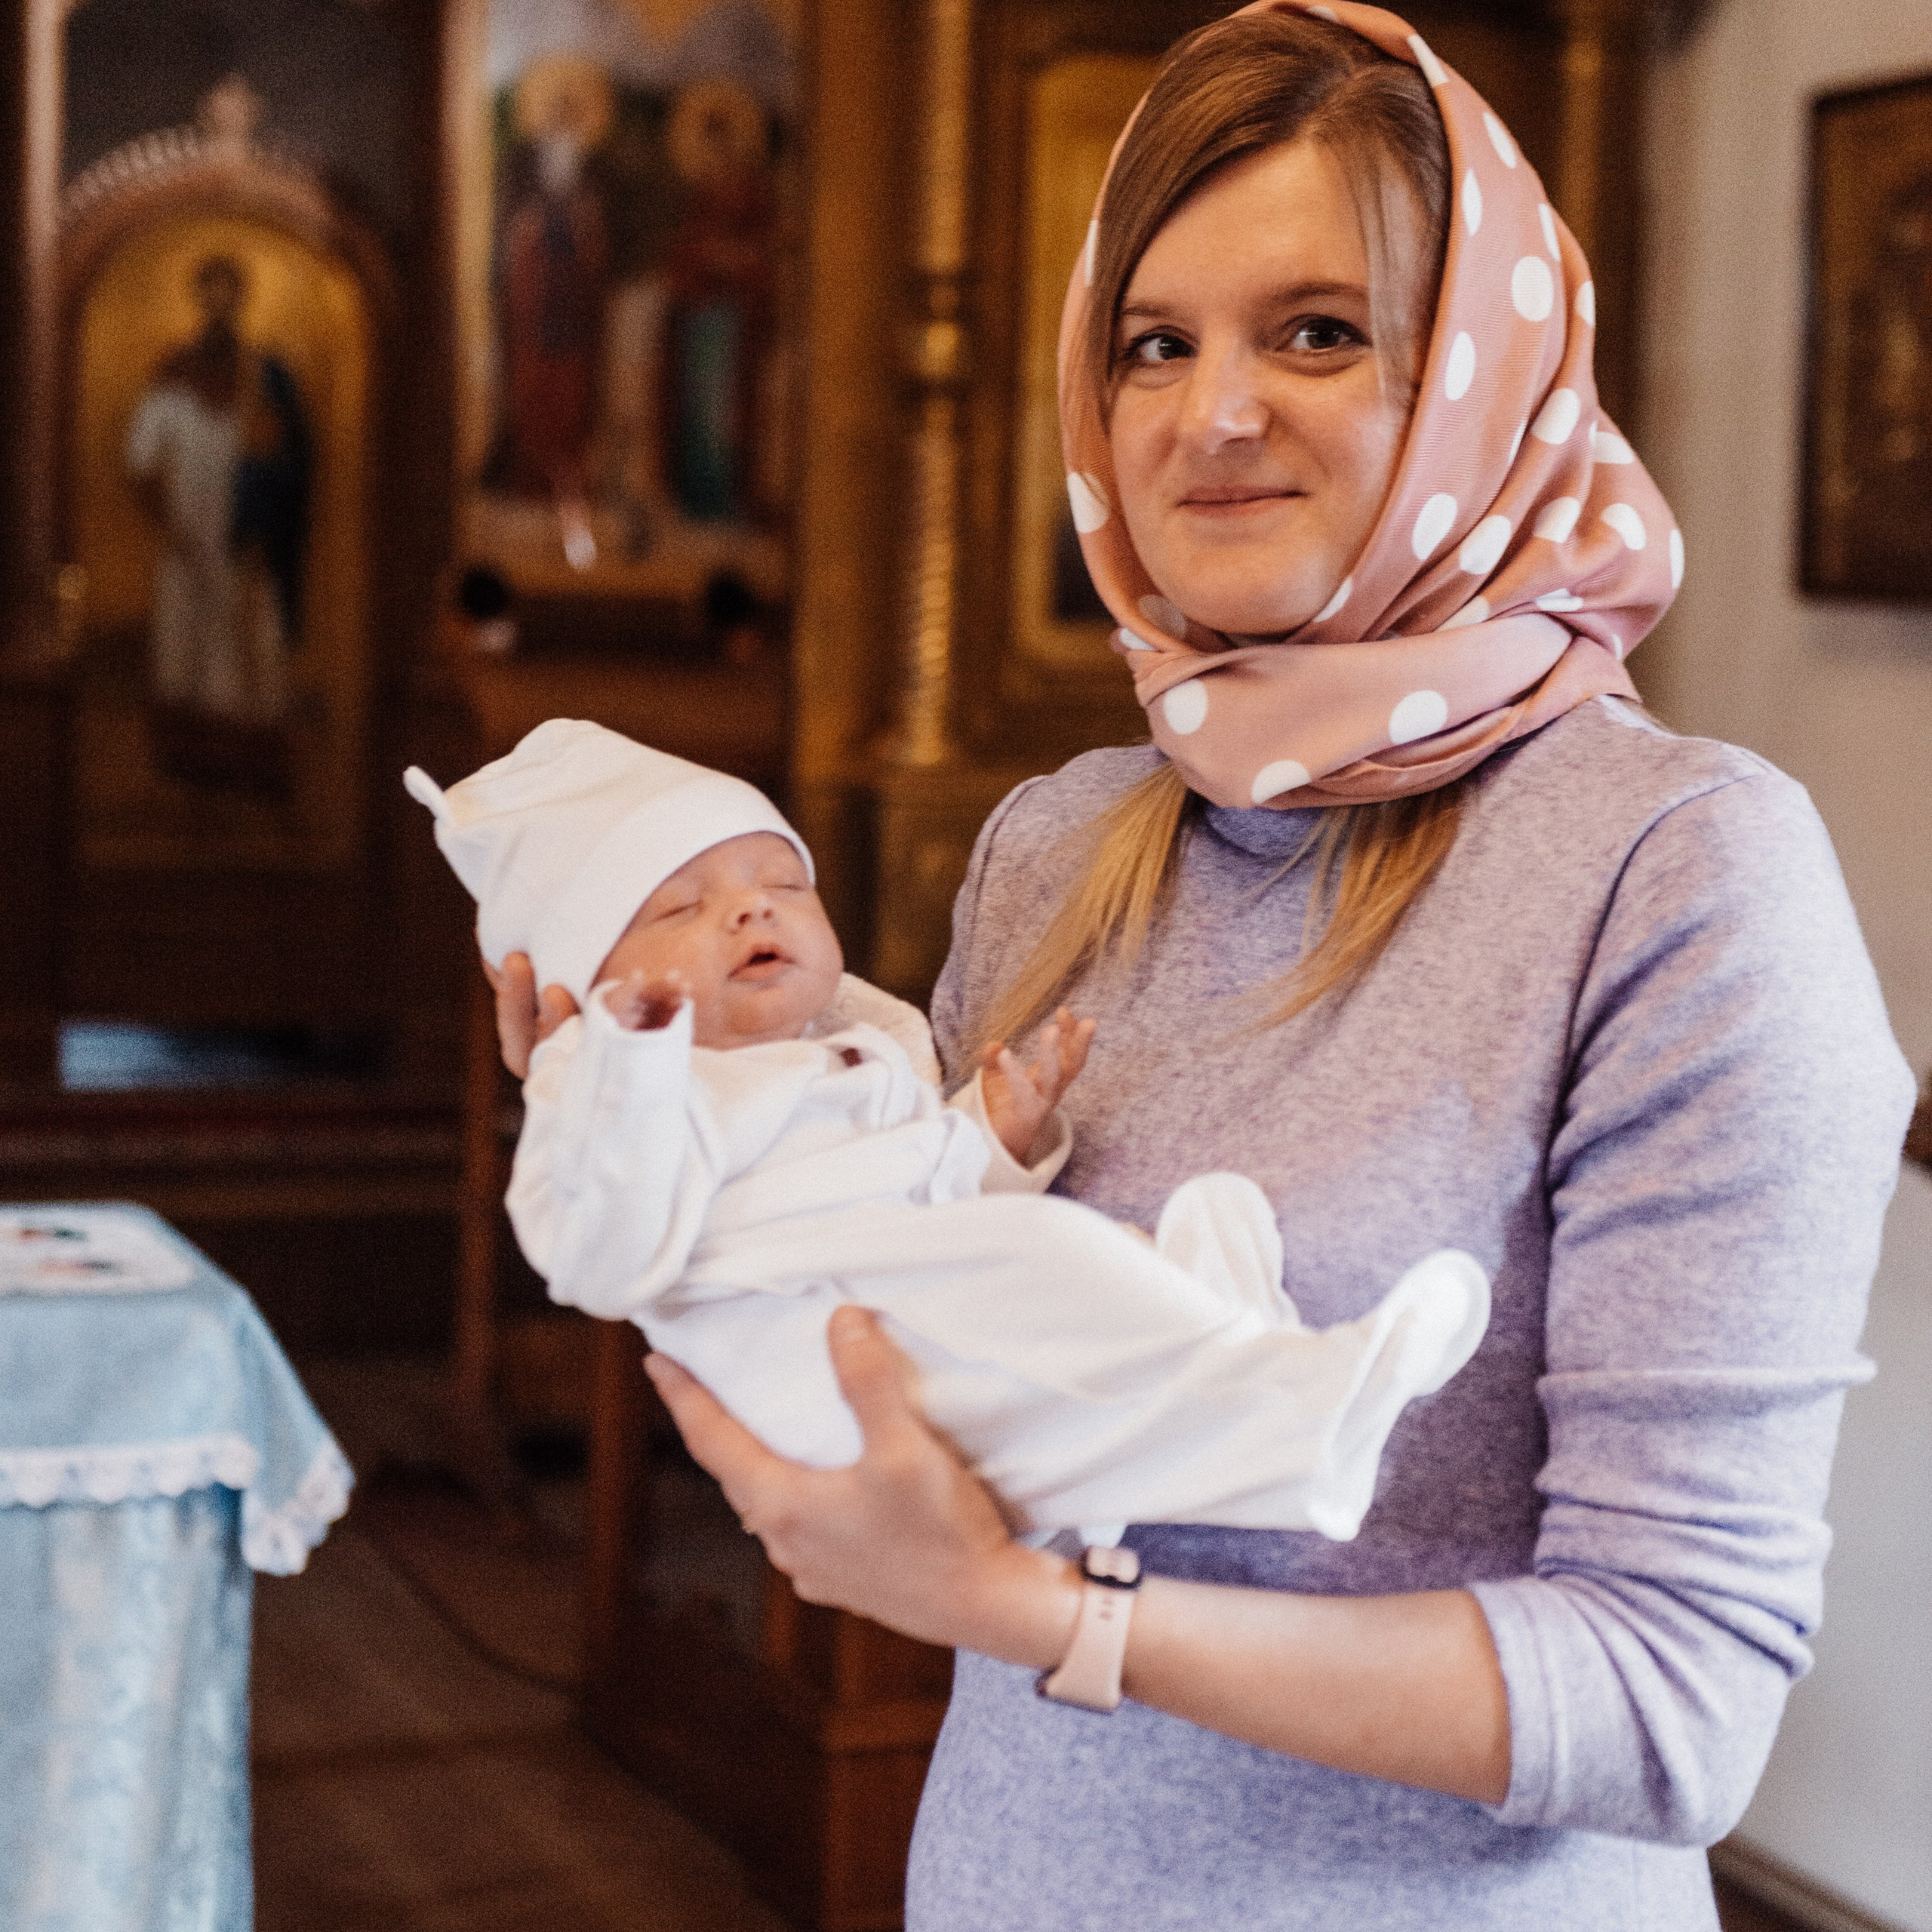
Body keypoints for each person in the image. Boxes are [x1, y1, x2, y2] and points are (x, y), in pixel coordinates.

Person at [489, 4, 1915, 1924]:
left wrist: (1039, 1616)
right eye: (1150, 343)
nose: (1204, 413)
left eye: (1313, 331)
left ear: (1481, 376)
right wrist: (640, 1122)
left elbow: (1671, 1705)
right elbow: (879, 1356)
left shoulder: (1675, 868)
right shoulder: (1060, 843)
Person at [407, 721, 1487, 1542]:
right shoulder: (631, 1092)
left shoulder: (847, 1061)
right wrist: (619, 1070)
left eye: (779, 882)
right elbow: (600, 1253)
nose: (749, 910)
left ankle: (1272, 1383)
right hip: (817, 1368)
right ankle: (1288, 1423)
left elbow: (922, 1188)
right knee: (1049, 1297)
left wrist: (996, 1134)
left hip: (903, 1301)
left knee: (1066, 1274)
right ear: (590, 988)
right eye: (677, 910)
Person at [126, 252, 310, 789]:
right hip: (186, 543)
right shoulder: (173, 375)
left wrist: (265, 518)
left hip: (249, 541)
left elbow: (288, 458)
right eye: (210, 290)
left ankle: (250, 774)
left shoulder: (266, 375)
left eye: (230, 290)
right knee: (187, 648)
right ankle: (192, 772)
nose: (219, 302)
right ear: (198, 297)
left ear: (242, 298)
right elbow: (139, 461)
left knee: (251, 646)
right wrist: (172, 527)